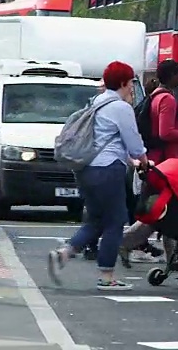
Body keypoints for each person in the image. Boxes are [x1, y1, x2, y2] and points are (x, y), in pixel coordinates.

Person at [47, 61, 149, 291]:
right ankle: (107, 276)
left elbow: (109, 139)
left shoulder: (97, 102)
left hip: (85, 169)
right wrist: (143, 160)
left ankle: (63, 253)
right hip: (107, 170)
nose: (132, 87)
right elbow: (134, 144)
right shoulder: (121, 108)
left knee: (96, 220)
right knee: (115, 221)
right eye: (131, 82)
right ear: (124, 83)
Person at [119, 60, 178, 267]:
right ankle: (125, 242)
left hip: (160, 163)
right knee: (165, 210)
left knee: (165, 211)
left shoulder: (156, 97)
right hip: (168, 165)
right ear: (172, 76)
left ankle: (172, 257)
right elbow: (165, 132)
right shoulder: (167, 100)